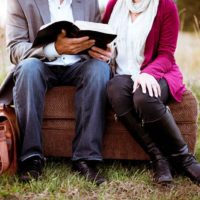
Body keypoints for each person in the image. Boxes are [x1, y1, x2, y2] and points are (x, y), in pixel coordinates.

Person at [6, 0, 111, 185]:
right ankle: (31, 159)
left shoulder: (89, 2)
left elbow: (98, 40)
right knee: (28, 69)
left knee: (99, 69)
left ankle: (85, 159)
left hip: (79, 65)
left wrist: (101, 51)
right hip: (40, 64)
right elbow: (14, 49)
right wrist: (54, 49)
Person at [103, 0, 200, 184]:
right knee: (114, 90)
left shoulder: (165, 5)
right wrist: (102, 51)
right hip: (123, 75)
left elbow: (166, 53)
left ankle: (185, 159)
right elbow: (104, 41)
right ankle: (159, 158)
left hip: (158, 72)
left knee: (144, 96)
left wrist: (148, 73)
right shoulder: (114, 5)